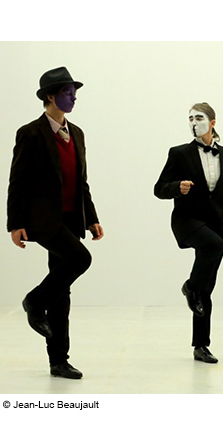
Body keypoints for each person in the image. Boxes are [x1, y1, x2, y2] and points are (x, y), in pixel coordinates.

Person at [7, 66, 104, 379]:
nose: (73, 98)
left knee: (62, 293)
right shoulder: (31, 133)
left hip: (73, 218)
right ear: (50, 97)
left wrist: (91, 218)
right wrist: (15, 223)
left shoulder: (77, 133)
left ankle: (58, 360)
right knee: (80, 259)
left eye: (74, 93)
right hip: (45, 220)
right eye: (66, 92)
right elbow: (17, 181)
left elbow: (81, 181)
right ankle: (34, 301)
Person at [154, 102, 223, 364]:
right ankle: (189, 287)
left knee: (206, 288)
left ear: (212, 123)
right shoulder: (179, 153)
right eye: (190, 118)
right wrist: (177, 187)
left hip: (217, 227)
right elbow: (159, 188)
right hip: (187, 221)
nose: (193, 122)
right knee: (208, 258)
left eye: (199, 118)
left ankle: (201, 345)